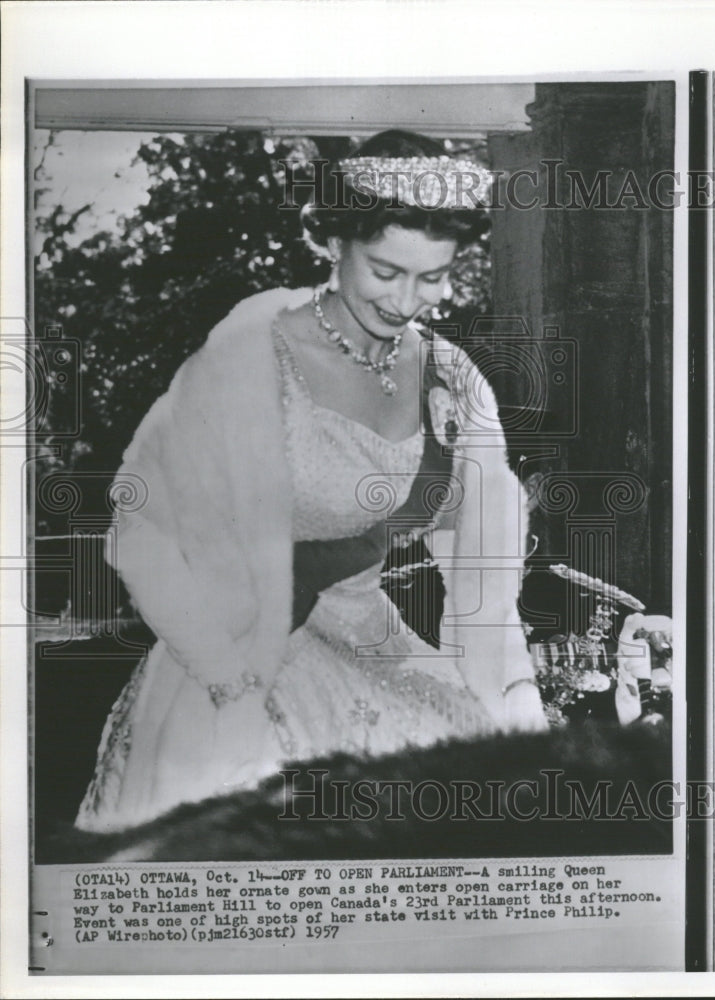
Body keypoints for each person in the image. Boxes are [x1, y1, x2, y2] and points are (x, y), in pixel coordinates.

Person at [75, 130, 548, 833]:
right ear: (333, 242)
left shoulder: (453, 382)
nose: (405, 301)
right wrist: (229, 684)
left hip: (378, 658)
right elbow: (139, 529)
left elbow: (482, 584)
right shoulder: (253, 350)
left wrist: (516, 714)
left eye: (431, 277)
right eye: (386, 272)